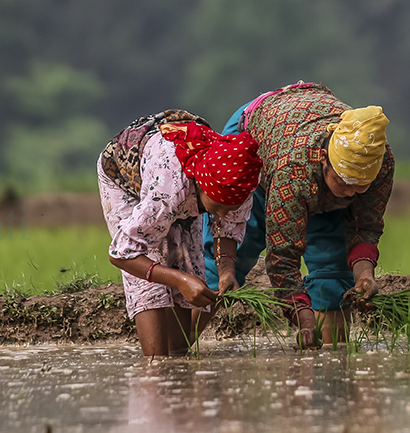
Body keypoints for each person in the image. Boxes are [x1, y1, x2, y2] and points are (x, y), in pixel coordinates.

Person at [203, 83, 392, 349]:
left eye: (360, 185)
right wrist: (301, 314)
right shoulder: (293, 172)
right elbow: (283, 257)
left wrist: (365, 275)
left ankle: (333, 366)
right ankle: (178, 348)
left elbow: (366, 226)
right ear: (324, 159)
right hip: (260, 142)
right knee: (225, 262)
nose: (350, 193)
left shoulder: (379, 163)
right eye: (343, 182)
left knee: (333, 271)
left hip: (305, 155)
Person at [98, 110, 261, 357]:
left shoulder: (240, 181)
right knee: (151, 285)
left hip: (181, 181)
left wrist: (227, 271)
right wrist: (179, 281)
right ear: (201, 186)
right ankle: (153, 367)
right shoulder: (167, 193)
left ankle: (176, 366)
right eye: (216, 208)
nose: (221, 215)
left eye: (230, 209)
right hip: (127, 178)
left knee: (184, 261)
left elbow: (228, 227)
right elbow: (121, 253)